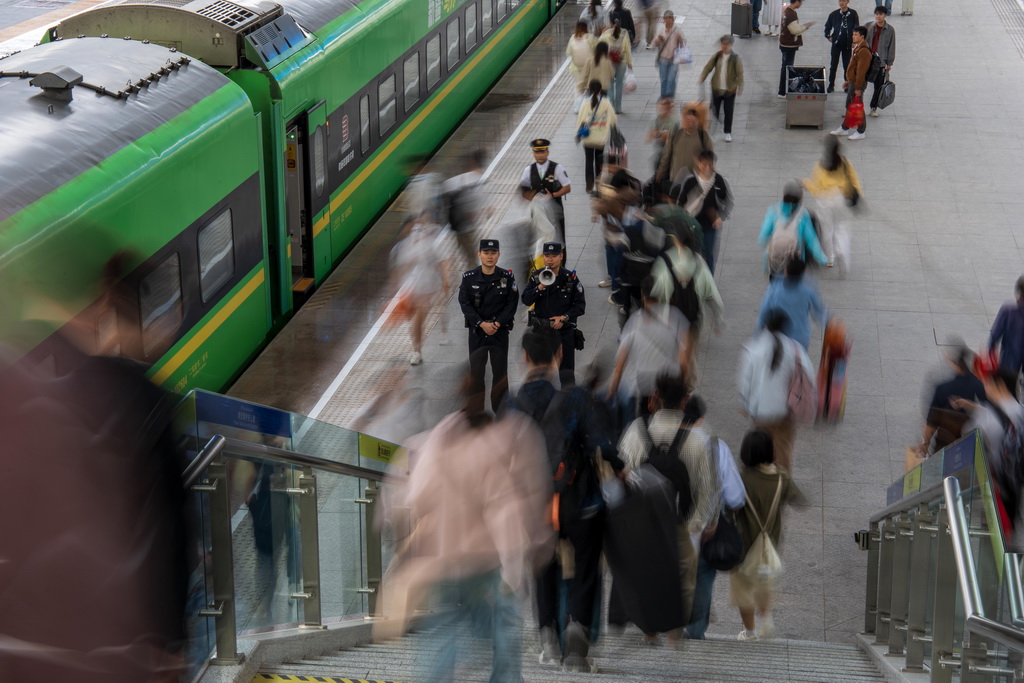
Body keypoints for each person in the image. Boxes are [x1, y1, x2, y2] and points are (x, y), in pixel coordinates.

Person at [376, 374, 552, 683]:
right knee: (504, 635)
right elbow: (507, 509)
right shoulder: (496, 444)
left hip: (444, 562)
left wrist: (403, 539)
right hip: (489, 562)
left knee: (442, 635)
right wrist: (524, 558)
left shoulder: (429, 446)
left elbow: (412, 499)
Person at [509, 329, 623, 674]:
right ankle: (577, 648)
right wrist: (621, 469)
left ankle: (548, 643)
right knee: (586, 570)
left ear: (525, 358)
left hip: (536, 506)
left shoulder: (512, 405)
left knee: (543, 567)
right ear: (558, 357)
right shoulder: (575, 400)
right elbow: (602, 445)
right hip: (582, 502)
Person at [618, 374, 720, 639]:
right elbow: (706, 490)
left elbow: (620, 477)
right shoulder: (697, 442)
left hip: (643, 528)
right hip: (681, 526)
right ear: (685, 402)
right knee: (680, 585)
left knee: (646, 581)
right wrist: (695, 525)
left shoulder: (635, 433)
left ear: (654, 399)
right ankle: (675, 640)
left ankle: (649, 636)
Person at [681, 395, 746, 640]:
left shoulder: (663, 443)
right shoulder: (716, 447)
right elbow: (736, 496)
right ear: (702, 419)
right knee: (702, 582)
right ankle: (695, 632)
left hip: (669, 529)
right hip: (704, 531)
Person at [731, 429, 797, 641]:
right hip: (770, 544)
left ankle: (749, 632)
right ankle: (766, 620)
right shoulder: (781, 478)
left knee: (743, 590)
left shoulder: (740, 478)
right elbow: (797, 498)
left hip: (743, 545)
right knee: (764, 582)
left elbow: (730, 508)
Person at [738, 309, 816, 472]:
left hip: (760, 412)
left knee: (762, 452)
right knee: (783, 451)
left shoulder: (753, 348)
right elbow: (809, 377)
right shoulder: (795, 349)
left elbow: (745, 382)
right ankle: (782, 485)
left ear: (765, 324)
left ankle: (763, 486)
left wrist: (745, 404)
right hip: (786, 413)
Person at [608, 276, 690, 421]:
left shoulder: (634, 321)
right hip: (669, 384)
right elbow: (684, 362)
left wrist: (612, 391)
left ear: (642, 294)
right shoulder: (677, 318)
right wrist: (683, 388)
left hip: (644, 384)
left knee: (645, 423)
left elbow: (619, 366)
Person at [458, 239, 519, 412]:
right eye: (486, 253)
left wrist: (497, 323)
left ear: (499, 255)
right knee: (476, 373)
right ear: (479, 254)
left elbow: (511, 304)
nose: (490, 257)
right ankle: (476, 410)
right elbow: (464, 303)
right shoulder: (469, 278)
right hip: (477, 333)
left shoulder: (507, 278)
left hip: (499, 333)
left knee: (500, 373)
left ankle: (500, 409)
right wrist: (481, 323)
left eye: (493, 253)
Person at [522, 241, 587, 386]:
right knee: (540, 373)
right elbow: (526, 299)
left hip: (564, 333)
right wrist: (540, 287)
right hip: (542, 332)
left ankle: (567, 403)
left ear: (561, 256)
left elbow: (580, 306)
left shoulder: (570, 279)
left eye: (554, 256)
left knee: (567, 374)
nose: (550, 259)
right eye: (547, 256)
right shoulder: (537, 276)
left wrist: (564, 318)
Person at [390, 218, 449, 365]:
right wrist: (398, 288)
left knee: (418, 320)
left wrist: (445, 281)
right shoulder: (403, 247)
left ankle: (417, 351)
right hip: (412, 289)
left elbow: (440, 262)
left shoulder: (428, 245)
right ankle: (417, 347)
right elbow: (399, 268)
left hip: (428, 288)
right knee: (414, 321)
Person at [917, 344, 986, 456]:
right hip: (972, 449)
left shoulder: (943, 388)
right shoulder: (980, 387)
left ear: (956, 364)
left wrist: (925, 443)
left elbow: (932, 422)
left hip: (945, 446)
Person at [804, 136, 864, 266]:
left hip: (824, 200)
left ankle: (829, 257)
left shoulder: (820, 165)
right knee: (841, 227)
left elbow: (816, 188)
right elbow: (854, 181)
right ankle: (841, 251)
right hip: (841, 198)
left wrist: (805, 184)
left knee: (826, 229)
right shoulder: (845, 163)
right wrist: (859, 195)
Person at [675, 150, 733, 275]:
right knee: (691, 253)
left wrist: (721, 218)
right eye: (704, 164)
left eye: (709, 164)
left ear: (714, 164)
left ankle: (708, 283)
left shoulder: (719, 181)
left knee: (708, 254)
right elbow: (679, 203)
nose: (707, 167)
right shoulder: (690, 181)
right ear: (698, 163)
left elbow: (729, 201)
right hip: (691, 224)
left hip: (709, 226)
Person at [756, 256, 828, 351]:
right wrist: (832, 324)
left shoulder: (774, 290)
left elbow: (763, 314)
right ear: (802, 274)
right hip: (801, 339)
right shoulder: (807, 291)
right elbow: (820, 312)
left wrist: (757, 337)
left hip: (780, 339)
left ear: (786, 272)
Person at [758, 180, 828, 276]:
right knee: (792, 286)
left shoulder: (774, 210)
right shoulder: (803, 214)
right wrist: (822, 259)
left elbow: (764, 234)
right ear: (800, 198)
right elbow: (811, 240)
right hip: (795, 258)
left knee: (775, 286)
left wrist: (765, 241)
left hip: (776, 256)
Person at [520, 138, 572, 250]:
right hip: (538, 212)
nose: (539, 155)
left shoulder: (557, 168)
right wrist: (532, 197)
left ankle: (560, 264)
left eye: (542, 152)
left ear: (547, 152)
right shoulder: (528, 170)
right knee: (538, 238)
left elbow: (567, 187)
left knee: (557, 237)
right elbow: (523, 190)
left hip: (555, 210)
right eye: (537, 152)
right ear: (533, 153)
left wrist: (553, 195)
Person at [441, 149, 489, 266]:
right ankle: (474, 279)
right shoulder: (475, 179)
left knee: (468, 253)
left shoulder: (453, 181)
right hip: (466, 227)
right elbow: (472, 209)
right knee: (472, 257)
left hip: (458, 227)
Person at [656, 105, 714, 190]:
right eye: (686, 120)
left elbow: (710, 157)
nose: (689, 124)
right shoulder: (676, 131)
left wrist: (710, 175)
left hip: (695, 181)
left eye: (692, 121)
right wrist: (661, 172)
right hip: (676, 179)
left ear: (696, 120)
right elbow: (667, 154)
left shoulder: (702, 135)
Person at [829, 25, 872, 141]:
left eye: (856, 35)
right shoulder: (858, 47)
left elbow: (861, 71)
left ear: (862, 37)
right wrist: (848, 81)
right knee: (850, 105)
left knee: (857, 106)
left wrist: (858, 87)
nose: (853, 37)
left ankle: (861, 131)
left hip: (858, 84)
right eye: (853, 34)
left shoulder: (863, 51)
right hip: (853, 82)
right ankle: (845, 128)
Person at [699, 35, 744, 143]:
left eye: (726, 44)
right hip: (716, 88)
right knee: (714, 111)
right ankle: (712, 131)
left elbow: (740, 74)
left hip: (729, 90)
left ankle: (727, 132)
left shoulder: (735, 58)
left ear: (730, 45)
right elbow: (708, 67)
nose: (724, 46)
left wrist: (740, 87)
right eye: (722, 44)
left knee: (728, 111)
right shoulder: (717, 56)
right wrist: (702, 76)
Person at [576, 78, 617, 194]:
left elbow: (580, 120)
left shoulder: (585, 103)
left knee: (589, 160)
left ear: (589, 89)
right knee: (599, 162)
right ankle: (599, 185)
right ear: (601, 89)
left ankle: (589, 185)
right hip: (600, 138)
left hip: (588, 138)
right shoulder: (606, 103)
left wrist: (578, 133)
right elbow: (613, 119)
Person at [990, 276, 1024, 385]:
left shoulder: (1008, 311)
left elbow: (995, 335)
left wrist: (990, 351)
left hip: (1009, 360)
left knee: (1006, 386)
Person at [777, 0, 815, 99]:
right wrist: (806, 26)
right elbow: (795, 30)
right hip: (789, 45)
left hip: (785, 43)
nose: (801, 4)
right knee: (787, 68)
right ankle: (782, 91)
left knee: (785, 66)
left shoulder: (788, 11)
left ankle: (783, 90)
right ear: (797, 2)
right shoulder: (790, 14)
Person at [865, 5, 896, 117]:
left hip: (881, 61)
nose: (878, 16)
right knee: (861, 84)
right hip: (867, 59)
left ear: (885, 15)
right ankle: (853, 107)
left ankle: (873, 107)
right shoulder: (869, 26)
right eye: (877, 14)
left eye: (881, 14)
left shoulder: (890, 30)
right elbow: (860, 38)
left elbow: (891, 46)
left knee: (878, 86)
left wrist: (889, 63)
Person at [823, 0, 860, 93]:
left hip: (847, 44)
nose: (841, 3)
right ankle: (831, 85)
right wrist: (828, 36)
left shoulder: (853, 14)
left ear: (847, 1)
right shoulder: (834, 14)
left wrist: (854, 41)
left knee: (847, 66)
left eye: (843, 1)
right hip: (836, 44)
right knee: (833, 65)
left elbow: (856, 28)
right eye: (840, 1)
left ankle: (846, 85)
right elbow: (827, 27)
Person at [599, 19, 633, 113]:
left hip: (609, 62)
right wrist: (630, 63)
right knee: (619, 85)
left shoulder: (606, 34)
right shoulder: (624, 34)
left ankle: (611, 104)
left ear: (612, 25)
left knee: (610, 84)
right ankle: (618, 108)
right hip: (621, 61)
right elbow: (628, 48)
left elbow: (598, 44)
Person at [652, 10, 686, 100]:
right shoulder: (661, 30)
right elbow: (653, 44)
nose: (668, 20)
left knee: (671, 79)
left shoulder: (677, 30)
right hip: (663, 58)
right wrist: (658, 40)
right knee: (663, 79)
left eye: (670, 18)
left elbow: (683, 43)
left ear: (673, 19)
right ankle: (663, 96)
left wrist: (681, 42)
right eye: (666, 18)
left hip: (674, 59)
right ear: (663, 19)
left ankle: (670, 96)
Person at [646, 97, 678, 175]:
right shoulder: (655, 120)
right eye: (661, 106)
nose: (662, 108)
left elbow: (668, 137)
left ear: (669, 108)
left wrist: (657, 133)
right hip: (658, 157)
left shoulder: (674, 121)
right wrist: (660, 134)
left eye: (665, 106)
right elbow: (648, 137)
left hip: (671, 157)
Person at [567, 22, 596, 105]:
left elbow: (568, 52)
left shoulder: (572, 38)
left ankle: (578, 106)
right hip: (589, 67)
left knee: (578, 87)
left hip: (575, 68)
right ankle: (587, 106)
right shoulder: (590, 37)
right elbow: (597, 49)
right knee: (588, 87)